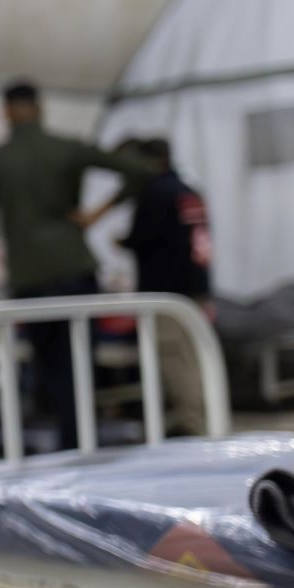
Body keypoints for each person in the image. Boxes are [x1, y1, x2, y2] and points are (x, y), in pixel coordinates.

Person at [0, 81, 149, 450]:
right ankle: (84, 441)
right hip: (75, 268)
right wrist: (96, 214)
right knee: (81, 364)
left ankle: (68, 448)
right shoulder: (66, 149)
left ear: (7, 111)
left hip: (31, 277)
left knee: (51, 369)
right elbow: (139, 170)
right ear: (39, 108)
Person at [118, 137, 213, 436]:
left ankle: (193, 422)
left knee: (174, 358)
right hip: (194, 286)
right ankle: (204, 415)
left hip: (167, 291)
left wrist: (122, 241)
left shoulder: (155, 194)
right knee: (193, 356)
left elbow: (142, 238)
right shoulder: (187, 191)